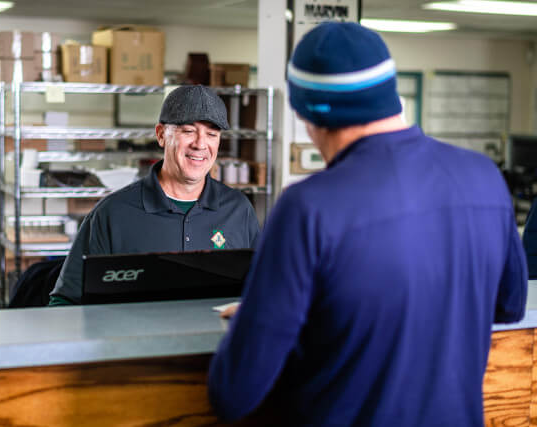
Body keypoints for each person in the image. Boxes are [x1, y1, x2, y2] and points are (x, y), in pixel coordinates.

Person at [208, 22, 527, 426]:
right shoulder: (484, 176)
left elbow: (234, 393)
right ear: (391, 93)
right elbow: (509, 305)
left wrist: (266, 314)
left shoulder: (308, 206)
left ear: (307, 113)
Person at [50, 85, 260, 305]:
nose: (200, 144)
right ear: (161, 135)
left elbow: (265, 289)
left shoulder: (238, 210)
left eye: (211, 134)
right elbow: (65, 302)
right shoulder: (112, 214)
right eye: (188, 131)